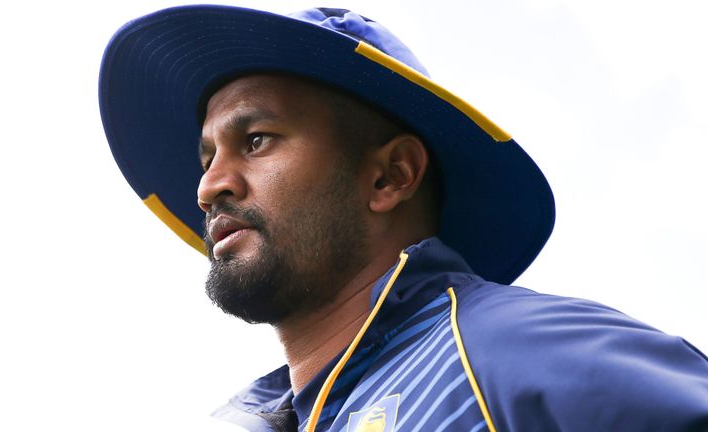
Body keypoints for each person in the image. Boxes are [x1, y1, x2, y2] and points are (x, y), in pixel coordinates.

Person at [99, 5, 708, 432]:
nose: (209, 187)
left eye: (256, 140)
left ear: (390, 177)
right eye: (207, 158)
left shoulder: (508, 349)